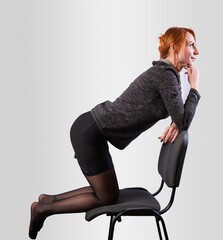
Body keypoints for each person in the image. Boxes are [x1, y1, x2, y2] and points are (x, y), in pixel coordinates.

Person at [28, 26, 200, 239]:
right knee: (107, 197)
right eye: (191, 44)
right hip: (90, 132)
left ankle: (48, 200)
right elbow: (183, 118)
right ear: (174, 46)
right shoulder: (165, 74)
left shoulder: (167, 74)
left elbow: (179, 117)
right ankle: (43, 210)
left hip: (92, 130)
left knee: (108, 193)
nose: (197, 51)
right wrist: (194, 87)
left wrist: (177, 122)